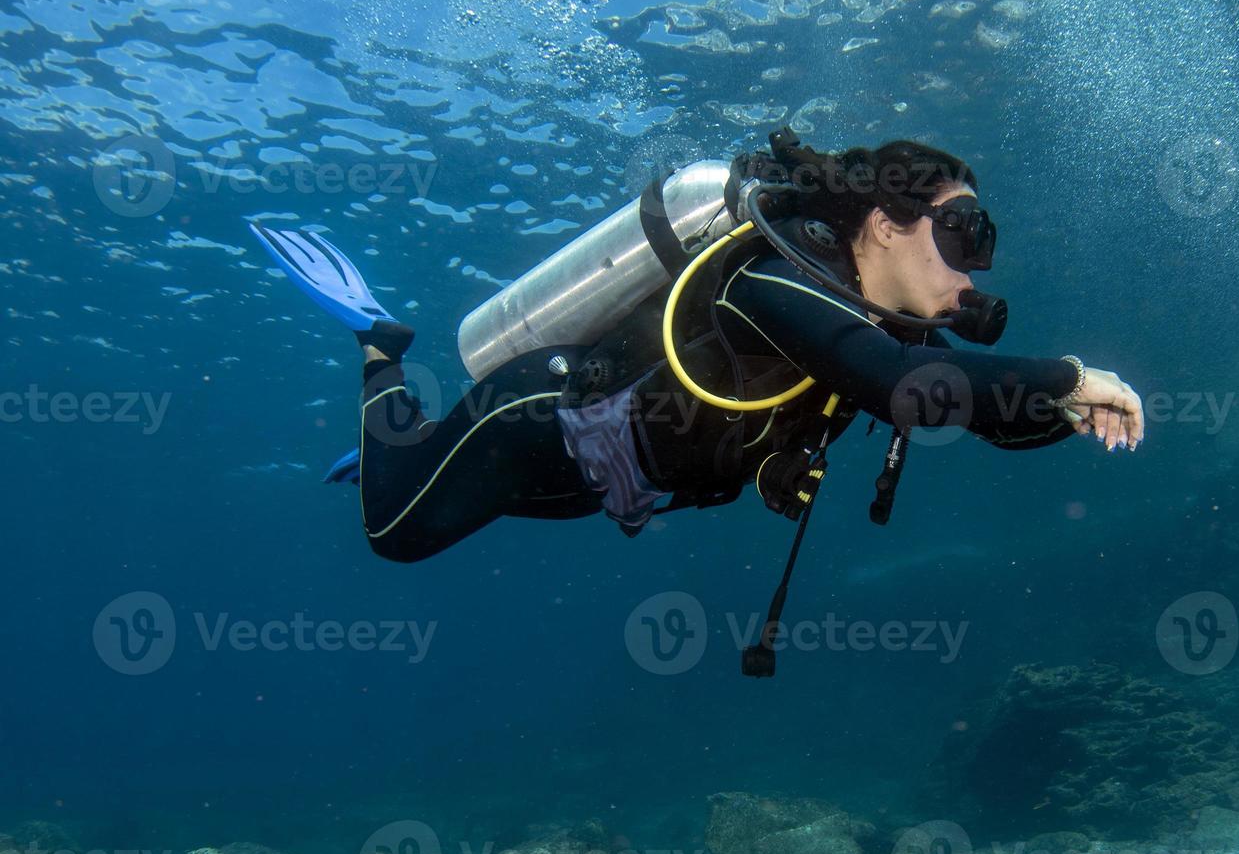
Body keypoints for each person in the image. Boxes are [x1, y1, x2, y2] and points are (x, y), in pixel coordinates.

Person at [250, 137, 1143, 564]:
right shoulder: (772, 280)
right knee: (394, 531)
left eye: (982, 241)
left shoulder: (873, 328)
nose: (974, 265)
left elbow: (974, 411)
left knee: (409, 477)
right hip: (533, 423)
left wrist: (1063, 415)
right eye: (961, 232)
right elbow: (907, 392)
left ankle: (400, 442)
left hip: (606, 482)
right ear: (882, 224)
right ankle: (379, 347)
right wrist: (1072, 374)